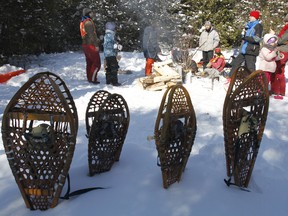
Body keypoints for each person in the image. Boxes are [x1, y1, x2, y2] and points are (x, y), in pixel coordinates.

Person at [228, 10, 263, 78]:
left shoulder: (258, 26)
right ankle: (230, 78)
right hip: (244, 49)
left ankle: (254, 82)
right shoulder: (249, 26)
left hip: (251, 50)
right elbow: (245, 37)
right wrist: (243, 35)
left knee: (250, 68)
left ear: (255, 17)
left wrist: (245, 37)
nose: (249, 17)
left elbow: (257, 39)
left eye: (251, 16)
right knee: (236, 63)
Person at [80, 8, 101, 84]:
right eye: (91, 13)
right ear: (88, 14)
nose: (93, 14)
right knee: (96, 63)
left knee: (90, 62)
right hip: (90, 45)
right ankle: (93, 79)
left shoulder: (83, 22)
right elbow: (91, 35)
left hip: (85, 45)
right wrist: (96, 45)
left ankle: (90, 78)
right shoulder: (88, 22)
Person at [270, 14, 288, 99]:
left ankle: (279, 91)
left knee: (278, 71)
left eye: (286, 21)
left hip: (283, 50)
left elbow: (281, 40)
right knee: (277, 70)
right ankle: (277, 90)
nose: (285, 23)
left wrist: (274, 35)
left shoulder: (287, 29)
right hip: (283, 50)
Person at [103, 22, 122, 86]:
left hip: (109, 54)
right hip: (111, 54)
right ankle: (114, 81)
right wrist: (115, 46)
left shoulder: (110, 35)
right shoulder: (109, 35)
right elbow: (108, 45)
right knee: (114, 68)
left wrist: (117, 45)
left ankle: (108, 81)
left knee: (109, 68)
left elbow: (112, 43)